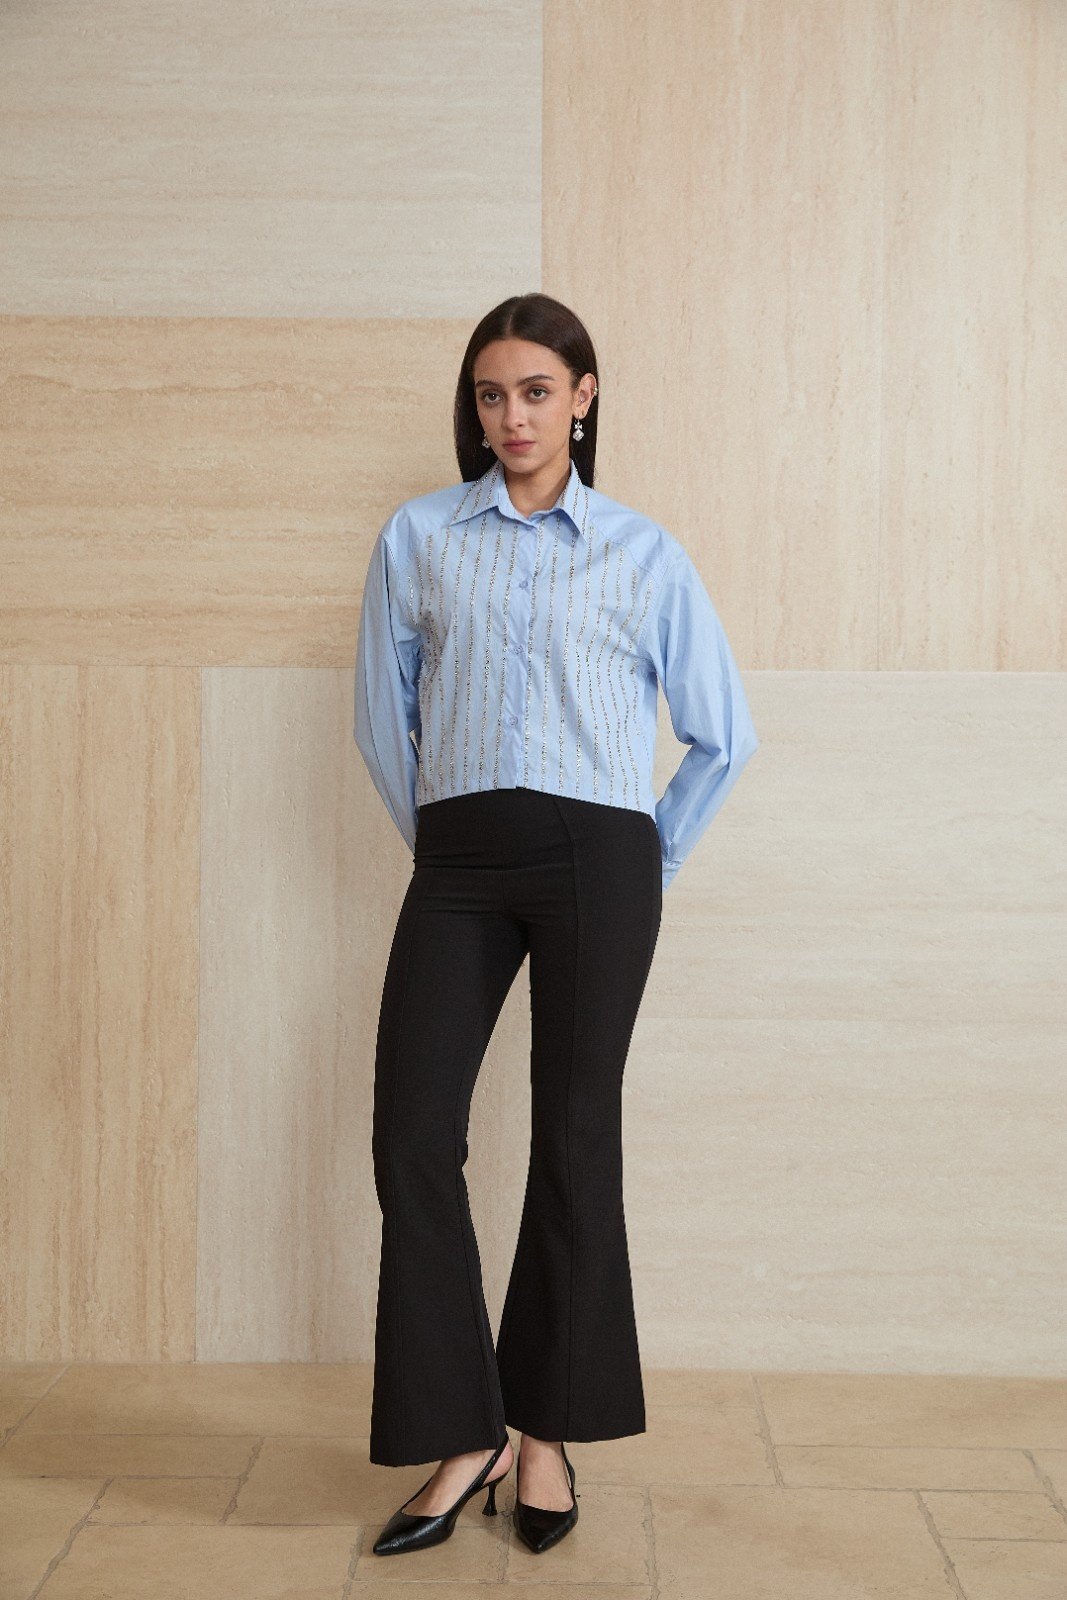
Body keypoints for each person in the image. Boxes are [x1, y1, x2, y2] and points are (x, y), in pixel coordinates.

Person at [353, 292, 759, 1556]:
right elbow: (381, 718)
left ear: (582, 398)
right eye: (491, 394)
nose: (512, 416)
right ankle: (462, 1427)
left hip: (597, 859)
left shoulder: (640, 552)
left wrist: (646, 854)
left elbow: (722, 734)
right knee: (412, 1130)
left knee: (575, 1136)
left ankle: (545, 1431)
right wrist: (442, 840)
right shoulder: (418, 537)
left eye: (535, 391)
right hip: (460, 859)